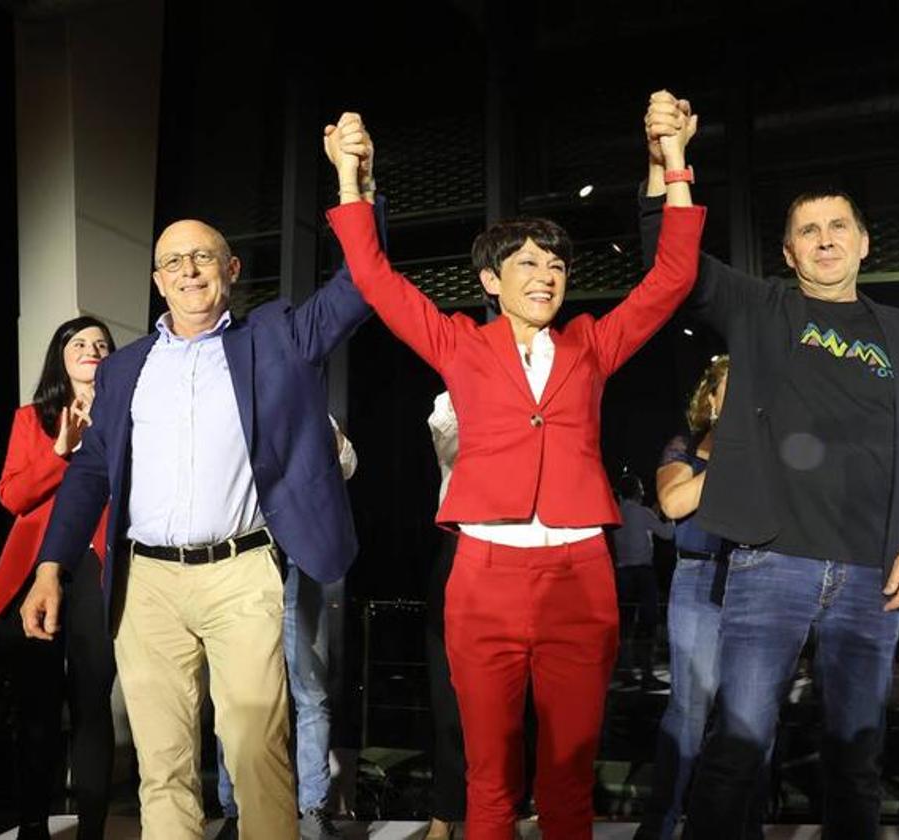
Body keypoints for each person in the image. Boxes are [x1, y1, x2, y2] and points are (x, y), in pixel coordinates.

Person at [323, 96, 703, 839]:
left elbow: (671, 279)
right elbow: (373, 276)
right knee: (488, 777)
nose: (547, 274)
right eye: (526, 263)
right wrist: (349, 177)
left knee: (567, 775)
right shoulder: (461, 345)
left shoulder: (593, 344)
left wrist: (675, 163)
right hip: (483, 578)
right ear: (491, 282)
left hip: (578, 577)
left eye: (557, 264)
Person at [19, 150, 386, 839]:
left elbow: (361, 286)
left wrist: (354, 183)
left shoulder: (277, 338)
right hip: (147, 581)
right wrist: (50, 567)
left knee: (256, 755)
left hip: (241, 575)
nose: (189, 270)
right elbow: (92, 470)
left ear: (231, 271)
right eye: (174, 261)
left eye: (204, 257)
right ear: (158, 281)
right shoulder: (126, 368)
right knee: (163, 767)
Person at [640, 93, 899, 840]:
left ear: (864, 243)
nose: (823, 239)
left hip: (872, 572)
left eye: (837, 226)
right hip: (770, 564)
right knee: (735, 754)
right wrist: (668, 161)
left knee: (856, 762)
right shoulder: (764, 309)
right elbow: (669, 257)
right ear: (787, 254)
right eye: (807, 231)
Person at [0, 316, 116, 840]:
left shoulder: (128, 417)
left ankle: (93, 831)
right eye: (79, 342)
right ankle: (34, 826)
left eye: (102, 344)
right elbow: (13, 497)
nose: (91, 349)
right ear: (60, 355)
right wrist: (61, 451)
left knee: (91, 702)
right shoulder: (30, 418)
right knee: (36, 707)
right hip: (33, 575)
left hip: (98, 567)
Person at [214, 416, 358, 840]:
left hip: (300, 557)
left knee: (309, 689)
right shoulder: (231, 396)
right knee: (239, 693)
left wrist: (325, 433)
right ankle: (235, 810)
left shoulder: (308, 403)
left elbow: (347, 464)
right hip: (242, 555)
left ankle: (312, 808)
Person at [635, 356, 737, 840]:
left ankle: (737, 822)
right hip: (697, 583)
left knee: (751, 715)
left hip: (758, 586)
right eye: (729, 390)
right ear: (711, 401)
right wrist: (737, 453)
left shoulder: (770, 451)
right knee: (690, 709)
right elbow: (675, 504)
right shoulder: (685, 446)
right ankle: (661, 823)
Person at [423, 391, 467, 840]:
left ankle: (509, 807)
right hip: (460, 546)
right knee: (448, 695)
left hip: (519, 549)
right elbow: (452, 447)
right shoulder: (450, 398)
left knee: (518, 696)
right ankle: (445, 811)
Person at [611, 469, 673, 689]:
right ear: (638, 491)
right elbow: (667, 534)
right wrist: (668, 516)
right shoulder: (643, 512)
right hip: (642, 573)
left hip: (622, 572)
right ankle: (647, 674)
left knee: (626, 625)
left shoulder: (616, 513)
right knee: (648, 625)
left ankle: (625, 671)